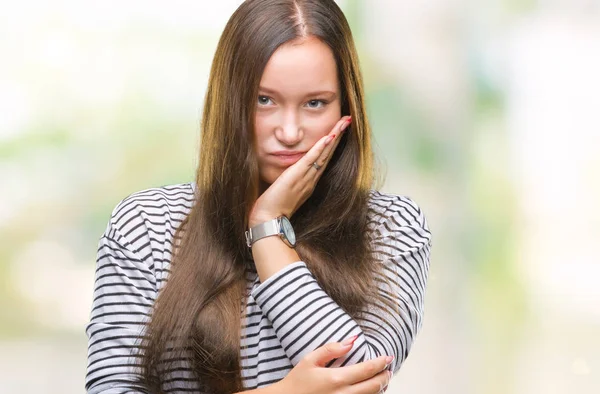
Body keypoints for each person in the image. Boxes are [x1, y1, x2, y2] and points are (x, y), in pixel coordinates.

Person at [85, 0, 432, 393]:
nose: (288, 131)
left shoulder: (391, 226)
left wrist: (268, 232)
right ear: (229, 102)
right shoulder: (147, 225)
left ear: (345, 109)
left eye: (314, 103)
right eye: (263, 100)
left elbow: (357, 379)